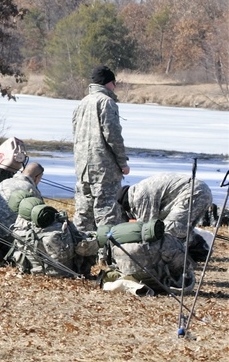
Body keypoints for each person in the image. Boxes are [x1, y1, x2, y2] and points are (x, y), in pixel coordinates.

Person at [72, 65, 129, 233]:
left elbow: (75, 134)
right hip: (104, 170)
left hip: (82, 168)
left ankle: (80, 252)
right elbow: (113, 136)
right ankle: (106, 256)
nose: (115, 87)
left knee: (83, 214)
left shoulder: (82, 103)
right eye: (114, 83)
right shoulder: (106, 102)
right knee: (107, 215)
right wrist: (122, 163)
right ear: (108, 83)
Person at [117, 172, 213, 260]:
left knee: (170, 232)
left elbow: (149, 228)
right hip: (200, 190)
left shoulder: (139, 196)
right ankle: (199, 251)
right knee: (182, 229)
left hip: (193, 193)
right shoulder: (140, 188)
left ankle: (196, 252)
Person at [0, 162, 45, 240]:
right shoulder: (31, 190)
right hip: (5, 234)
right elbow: (39, 215)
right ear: (37, 177)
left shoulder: (5, 182)